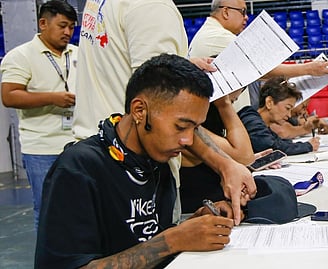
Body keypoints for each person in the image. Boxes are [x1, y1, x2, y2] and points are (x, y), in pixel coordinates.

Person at [35, 54, 238, 268]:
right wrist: (173, 240)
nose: (188, 140)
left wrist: (195, 226)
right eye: (180, 126)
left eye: (195, 128)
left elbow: (146, 241)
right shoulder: (78, 169)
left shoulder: (156, 160)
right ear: (140, 110)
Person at [73, 0, 255, 224]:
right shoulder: (152, 6)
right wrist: (225, 164)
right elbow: (161, 104)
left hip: (104, 151)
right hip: (135, 170)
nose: (186, 138)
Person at [0, 0, 77, 229]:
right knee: (47, 209)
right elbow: (10, 96)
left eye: (72, 27)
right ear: (43, 23)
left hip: (78, 143)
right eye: (62, 25)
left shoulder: (78, 54)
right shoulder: (20, 56)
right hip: (42, 149)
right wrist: (53, 98)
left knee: (81, 206)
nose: (68, 32)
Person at [188, 0, 328, 109]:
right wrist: (309, 69)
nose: (246, 17)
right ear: (225, 12)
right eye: (243, 12)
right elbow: (261, 70)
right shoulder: (218, 36)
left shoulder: (212, 33)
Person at [238, 76, 320, 155]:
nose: (289, 115)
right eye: (287, 108)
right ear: (269, 102)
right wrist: (307, 146)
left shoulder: (263, 124)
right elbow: (271, 146)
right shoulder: (250, 118)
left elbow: (280, 143)